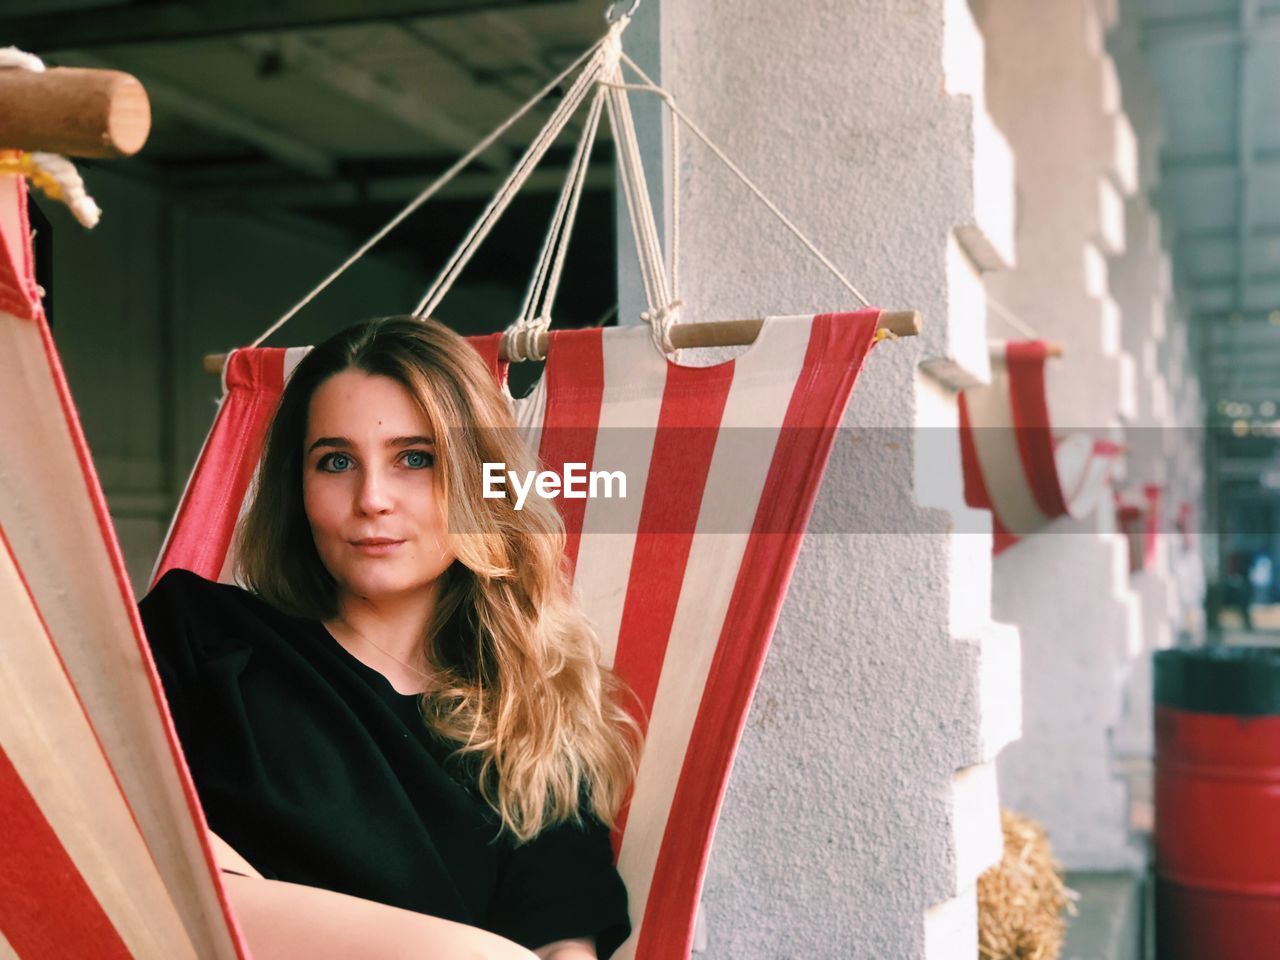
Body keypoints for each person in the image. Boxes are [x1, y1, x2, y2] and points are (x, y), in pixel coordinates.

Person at [140, 316, 643, 960]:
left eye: (415, 458)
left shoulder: (531, 724)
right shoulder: (199, 635)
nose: (371, 498)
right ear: (300, 489)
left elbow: (562, 948)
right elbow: (131, 854)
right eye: (336, 461)